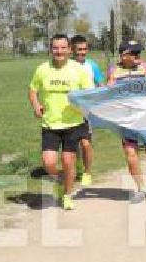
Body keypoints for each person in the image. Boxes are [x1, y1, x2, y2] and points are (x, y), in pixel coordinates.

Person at [28, 34, 96, 210]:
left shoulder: (79, 70)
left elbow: (90, 94)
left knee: (68, 161)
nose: (59, 51)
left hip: (73, 124)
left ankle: (66, 195)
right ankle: (63, 179)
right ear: (51, 49)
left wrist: (84, 107)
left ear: (69, 49)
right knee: (49, 163)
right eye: (55, 48)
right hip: (50, 124)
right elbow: (33, 90)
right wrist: (36, 105)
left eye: (63, 48)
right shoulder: (42, 69)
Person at [107, 40, 146, 204]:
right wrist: (110, 83)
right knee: (130, 153)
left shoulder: (145, 67)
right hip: (126, 120)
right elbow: (109, 92)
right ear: (123, 55)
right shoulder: (114, 70)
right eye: (133, 53)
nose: (137, 56)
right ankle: (141, 188)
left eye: (138, 53)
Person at [69, 35, 105, 187]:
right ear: (72, 50)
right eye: (79, 50)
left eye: (84, 49)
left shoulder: (92, 65)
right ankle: (75, 168)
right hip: (69, 110)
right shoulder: (67, 65)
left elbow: (100, 84)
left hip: (87, 110)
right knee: (71, 144)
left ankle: (87, 172)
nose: (82, 53)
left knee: (86, 143)